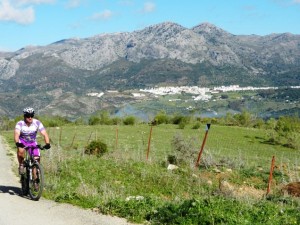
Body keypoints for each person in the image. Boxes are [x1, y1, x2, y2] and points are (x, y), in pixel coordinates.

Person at [14, 107, 51, 175]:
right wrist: (17, 143)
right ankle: (21, 164)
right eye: (28, 116)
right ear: (24, 116)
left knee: (36, 159)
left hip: (32, 142)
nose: (30, 117)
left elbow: (44, 133)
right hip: (22, 141)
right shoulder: (20, 123)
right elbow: (16, 134)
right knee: (21, 151)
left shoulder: (37, 122)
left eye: (32, 116)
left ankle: (36, 181)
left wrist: (47, 143)